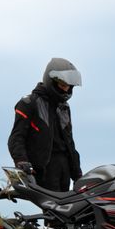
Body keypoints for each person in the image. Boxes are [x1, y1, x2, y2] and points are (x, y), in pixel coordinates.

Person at [8, 58, 82, 191]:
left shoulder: (64, 107)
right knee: (53, 210)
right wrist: (21, 161)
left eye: (69, 86)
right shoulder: (28, 103)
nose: (67, 89)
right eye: (63, 85)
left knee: (69, 210)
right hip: (44, 169)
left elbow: (70, 144)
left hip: (64, 169)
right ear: (51, 81)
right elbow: (16, 138)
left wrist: (78, 174)